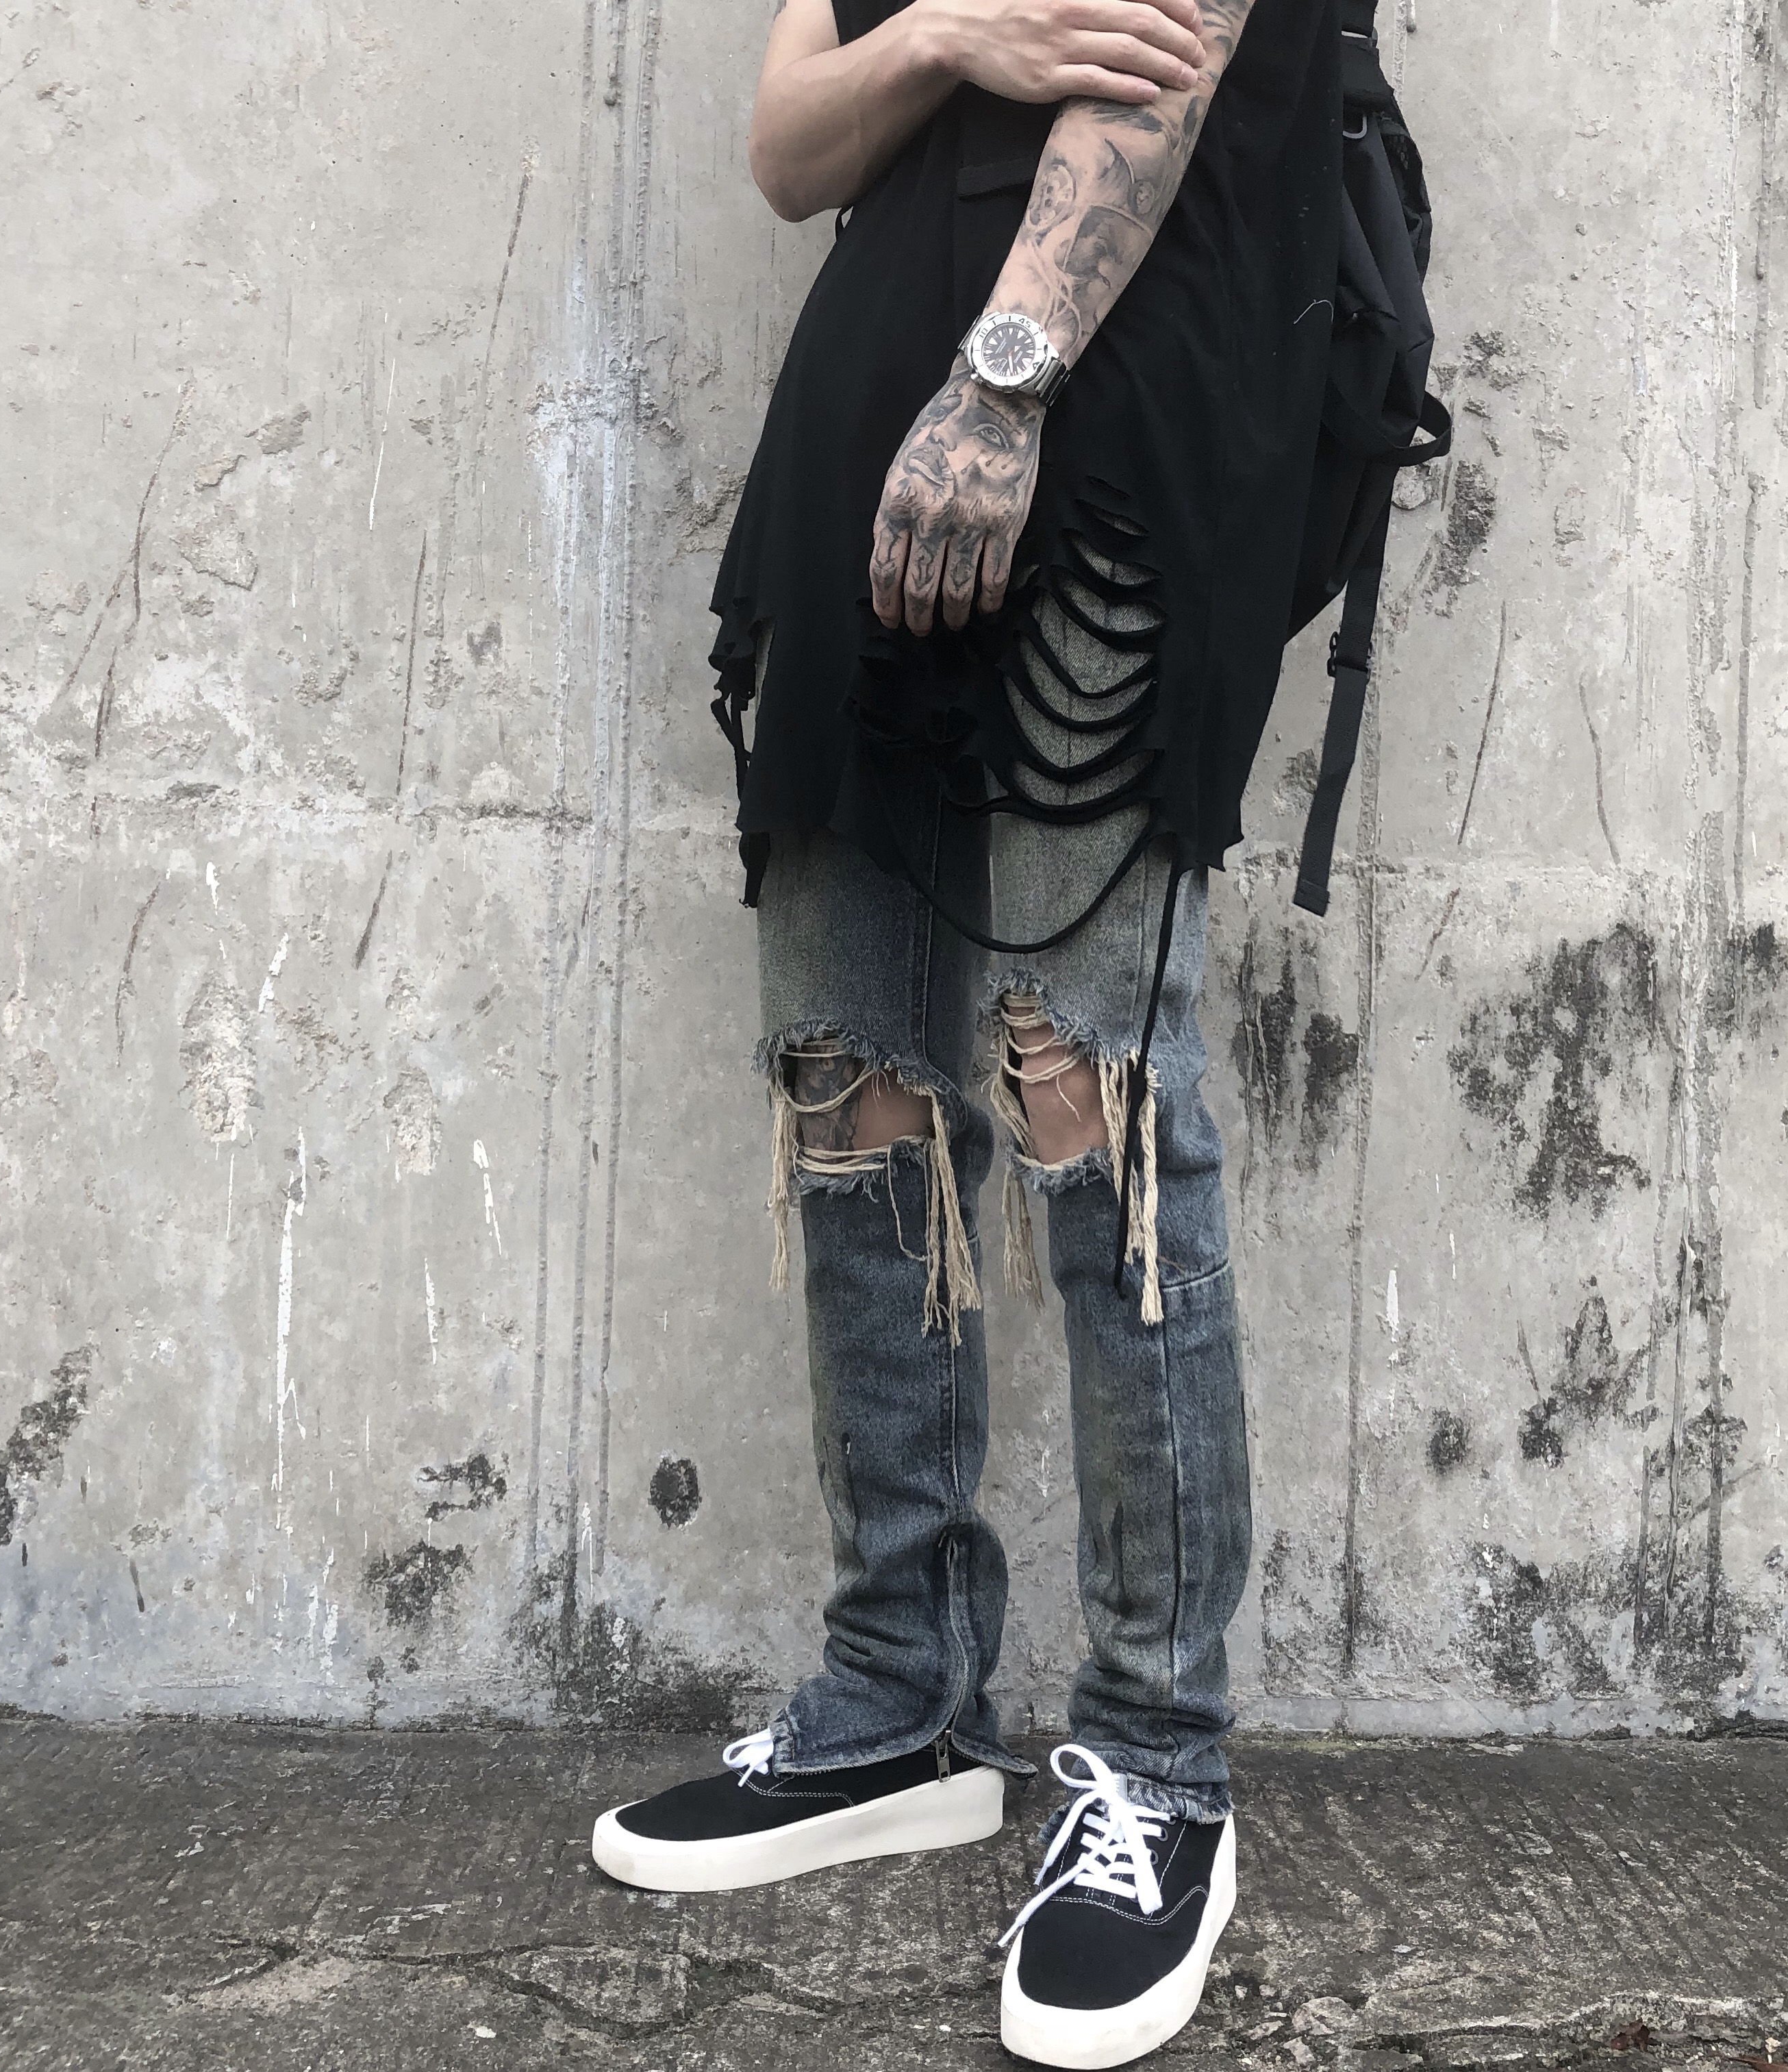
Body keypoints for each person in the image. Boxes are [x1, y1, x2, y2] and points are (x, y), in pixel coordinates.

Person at [592, 1, 1351, 2062]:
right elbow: (791, 146)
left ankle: (1158, 1759)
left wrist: (1005, 377)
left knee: (1086, 1084)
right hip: (867, 439)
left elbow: (1171, 65)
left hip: (1104, 429)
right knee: (848, 1076)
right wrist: (944, 28)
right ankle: (896, 1697)